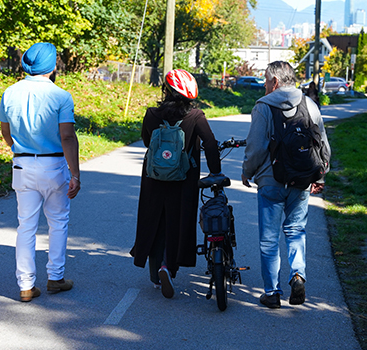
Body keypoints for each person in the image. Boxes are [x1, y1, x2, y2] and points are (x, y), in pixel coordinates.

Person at [241, 61, 330, 308]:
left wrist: (247, 171)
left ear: (276, 82)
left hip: (271, 181)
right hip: (301, 180)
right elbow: (322, 143)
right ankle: (297, 275)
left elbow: (256, 147)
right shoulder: (309, 104)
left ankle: (272, 293)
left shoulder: (263, 106)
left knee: (269, 239)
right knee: (295, 231)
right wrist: (320, 175)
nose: (265, 86)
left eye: (266, 81)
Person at [0, 42, 80, 302]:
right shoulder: (61, 96)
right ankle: (55, 278)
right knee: (57, 222)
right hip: (54, 166)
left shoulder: (10, 93)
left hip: (22, 165)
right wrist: (75, 174)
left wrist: (20, 149)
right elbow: (67, 137)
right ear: (52, 65)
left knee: (26, 225)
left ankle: (25, 285)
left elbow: (5, 132)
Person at [131, 69, 221, 299]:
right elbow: (210, 144)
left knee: (154, 221)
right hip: (183, 180)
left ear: (167, 90)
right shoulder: (196, 117)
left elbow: (146, 141)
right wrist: (215, 172)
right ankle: (167, 267)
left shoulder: (151, 114)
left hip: (153, 178)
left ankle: (155, 275)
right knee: (177, 221)